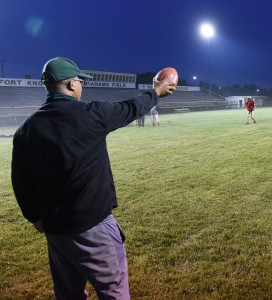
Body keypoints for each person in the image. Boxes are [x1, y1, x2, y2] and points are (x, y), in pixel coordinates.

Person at [11, 57, 176, 299]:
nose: (81, 86)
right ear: (70, 85)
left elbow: (20, 180)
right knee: (113, 290)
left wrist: (33, 216)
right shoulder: (92, 114)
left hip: (56, 231)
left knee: (68, 294)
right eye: (79, 81)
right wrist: (155, 91)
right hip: (94, 226)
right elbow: (131, 108)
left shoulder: (26, 129)